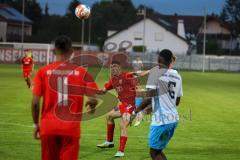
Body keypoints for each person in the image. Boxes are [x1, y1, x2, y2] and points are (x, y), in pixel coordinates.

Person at [31, 35, 98, 160]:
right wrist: (91, 105)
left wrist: (36, 124)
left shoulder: (43, 72)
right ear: (72, 52)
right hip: (70, 128)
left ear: (53, 51)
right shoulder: (82, 72)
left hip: (48, 127)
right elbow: (93, 98)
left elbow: (35, 103)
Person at [131, 49, 183, 160]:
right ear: (171, 61)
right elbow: (177, 101)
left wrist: (135, 112)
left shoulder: (155, 73)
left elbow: (148, 98)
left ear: (158, 59)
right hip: (173, 120)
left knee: (154, 153)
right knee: (157, 151)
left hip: (161, 121)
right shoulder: (177, 76)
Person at [97, 61, 144, 157]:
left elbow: (139, 90)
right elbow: (104, 90)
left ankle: (121, 151)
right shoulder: (113, 80)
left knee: (123, 124)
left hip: (131, 106)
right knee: (109, 116)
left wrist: (137, 110)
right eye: (111, 67)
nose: (112, 68)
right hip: (123, 105)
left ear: (119, 67)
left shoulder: (127, 76)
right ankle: (109, 142)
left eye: (114, 66)